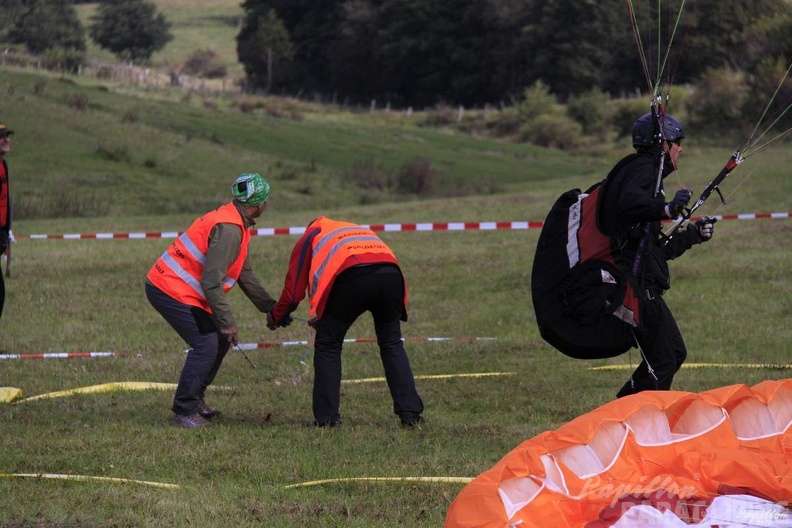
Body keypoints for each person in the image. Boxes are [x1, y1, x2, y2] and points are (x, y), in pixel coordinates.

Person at [146, 173, 277, 428]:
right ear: (260, 204)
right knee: (207, 343)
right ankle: (184, 411)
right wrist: (227, 321)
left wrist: (271, 307)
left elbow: (243, 273)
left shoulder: (235, 221)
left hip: (180, 288)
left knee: (218, 339)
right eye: (267, 200)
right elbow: (211, 282)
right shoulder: (229, 229)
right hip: (168, 288)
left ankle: (194, 401)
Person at [599, 112, 716, 398]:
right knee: (664, 358)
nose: (681, 149)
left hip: (643, 286)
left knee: (672, 353)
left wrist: (693, 235)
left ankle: (623, 410)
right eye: (678, 143)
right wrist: (665, 209)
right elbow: (628, 204)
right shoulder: (643, 167)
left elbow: (656, 252)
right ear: (664, 144)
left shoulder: (649, 177)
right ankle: (633, 421)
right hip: (636, 289)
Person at [267, 216, 424, 428]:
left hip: (353, 276)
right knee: (391, 343)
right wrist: (323, 315)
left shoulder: (311, 235)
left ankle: (327, 418)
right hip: (391, 275)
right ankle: (411, 413)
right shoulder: (351, 229)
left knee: (328, 345)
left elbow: (294, 293)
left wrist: (276, 316)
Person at [0, 123, 14, 322]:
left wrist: (5, 233)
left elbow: (5, 201)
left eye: (7, 136)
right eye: (1, 137)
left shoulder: (3, 165)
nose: (6, 139)